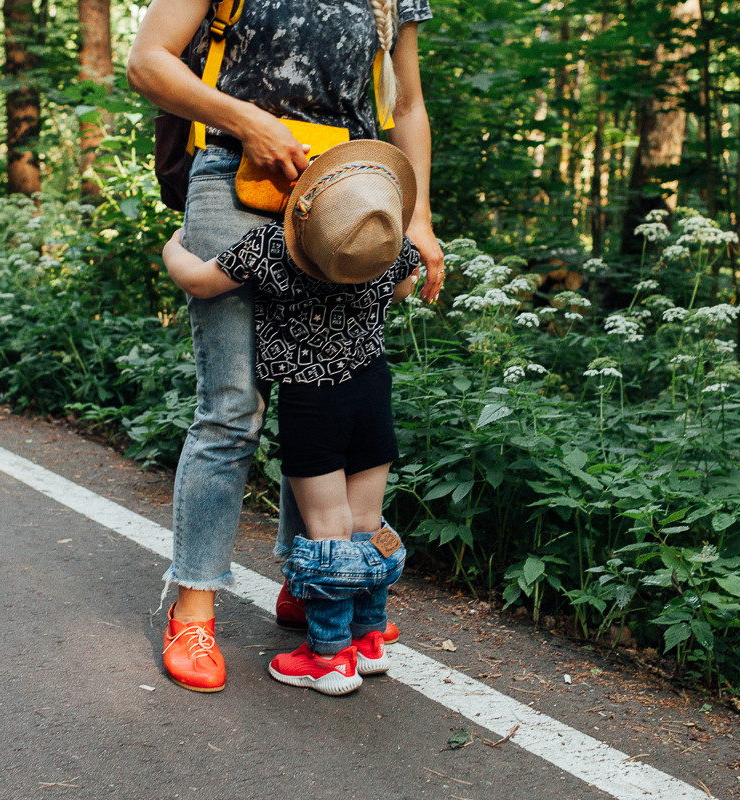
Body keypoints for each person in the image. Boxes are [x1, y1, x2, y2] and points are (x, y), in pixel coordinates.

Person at [128, 0, 445, 692]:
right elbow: (147, 61)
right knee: (233, 406)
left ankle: (313, 583)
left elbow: (409, 102)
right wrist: (247, 121)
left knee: (327, 384)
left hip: (352, 196)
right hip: (237, 178)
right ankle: (195, 606)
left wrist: (416, 213)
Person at [162, 140, 413, 694]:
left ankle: (327, 656)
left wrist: (173, 247)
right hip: (371, 393)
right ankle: (369, 640)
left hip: (313, 404)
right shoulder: (388, 246)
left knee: (327, 535)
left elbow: (199, 282)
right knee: (366, 527)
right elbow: (404, 285)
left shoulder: (272, 248)